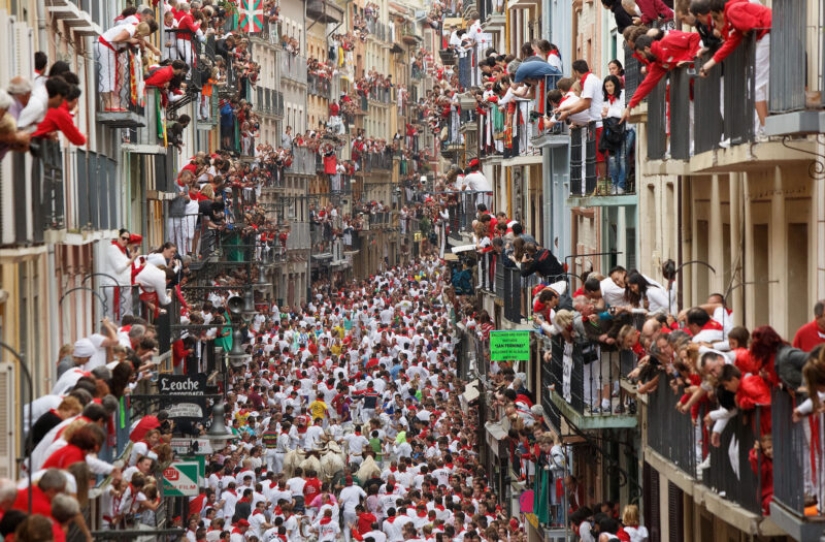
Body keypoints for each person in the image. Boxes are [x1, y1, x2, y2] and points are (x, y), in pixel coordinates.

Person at [696, 0, 772, 139]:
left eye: (716, 20)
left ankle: (767, 129)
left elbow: (752, 26)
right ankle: (767, 128)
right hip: (770, 34)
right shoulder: (734, 13)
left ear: (719, 13)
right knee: (759, 86)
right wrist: (708, 65)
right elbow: (730, 44)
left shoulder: (732, 11)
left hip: (767, 35)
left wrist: (739, 31)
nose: (718, 26)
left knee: (755, 87)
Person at [621, 30, 701, 120]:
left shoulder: (667, 41)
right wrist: (629, 107)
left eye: (641, 54)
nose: (643, 58)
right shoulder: (658, 64)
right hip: (695, 83)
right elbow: (646, 85)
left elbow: (695, 37)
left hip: (706, 72)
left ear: (647, 49)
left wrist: (690, 59)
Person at [599, 74, 627, 195]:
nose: (609, 88)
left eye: (611, 85)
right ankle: (614, 184)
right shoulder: (605, 100)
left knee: (622, 158)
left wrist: (610, 112)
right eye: (606, 86)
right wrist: (611, 113)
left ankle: (621, 185)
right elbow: (602, 113)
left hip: (625, 130)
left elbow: (623, 113)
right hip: (611, 132)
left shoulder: (623, 96)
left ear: (616, 85)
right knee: (612, 159)